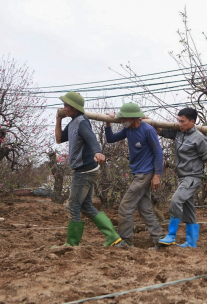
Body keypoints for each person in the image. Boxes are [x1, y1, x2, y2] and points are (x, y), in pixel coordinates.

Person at [55, 91, 122, 247]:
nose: (64, 108)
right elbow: (59, 139)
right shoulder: (72, 123)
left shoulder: (81, 121)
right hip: (86, 170)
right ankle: (112, 236)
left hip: (84, 170)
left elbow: (91, 137)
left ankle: (71, 244)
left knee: (72, 206)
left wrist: (98, 151)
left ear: (75, 108)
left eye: (66, 105)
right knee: (86, 206)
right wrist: (58, 118)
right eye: (63, 105)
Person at [105, 103, 165, 248]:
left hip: (145, 173)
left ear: (132, 119)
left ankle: (125, 240)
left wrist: (157, 175)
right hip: (138, 173)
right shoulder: (128, 130)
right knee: (144, 208)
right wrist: (107, 124)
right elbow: (111, 139)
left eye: (123, 118)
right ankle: (160, 239)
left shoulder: (148, 130)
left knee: (125, 206)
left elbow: (158, 153)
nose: (121, 121)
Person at [156, 108, 207, 248]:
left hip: (192, 177)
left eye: (182, 121)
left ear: (192, 121)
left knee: (175, 201)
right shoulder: (179, 133)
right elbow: (160, 131)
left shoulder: (199, 138)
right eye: (178, 121)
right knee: (188, 209)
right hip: (182, 177)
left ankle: (171, 235)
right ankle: (191, 243)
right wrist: (148, 120)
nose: (180, 124)